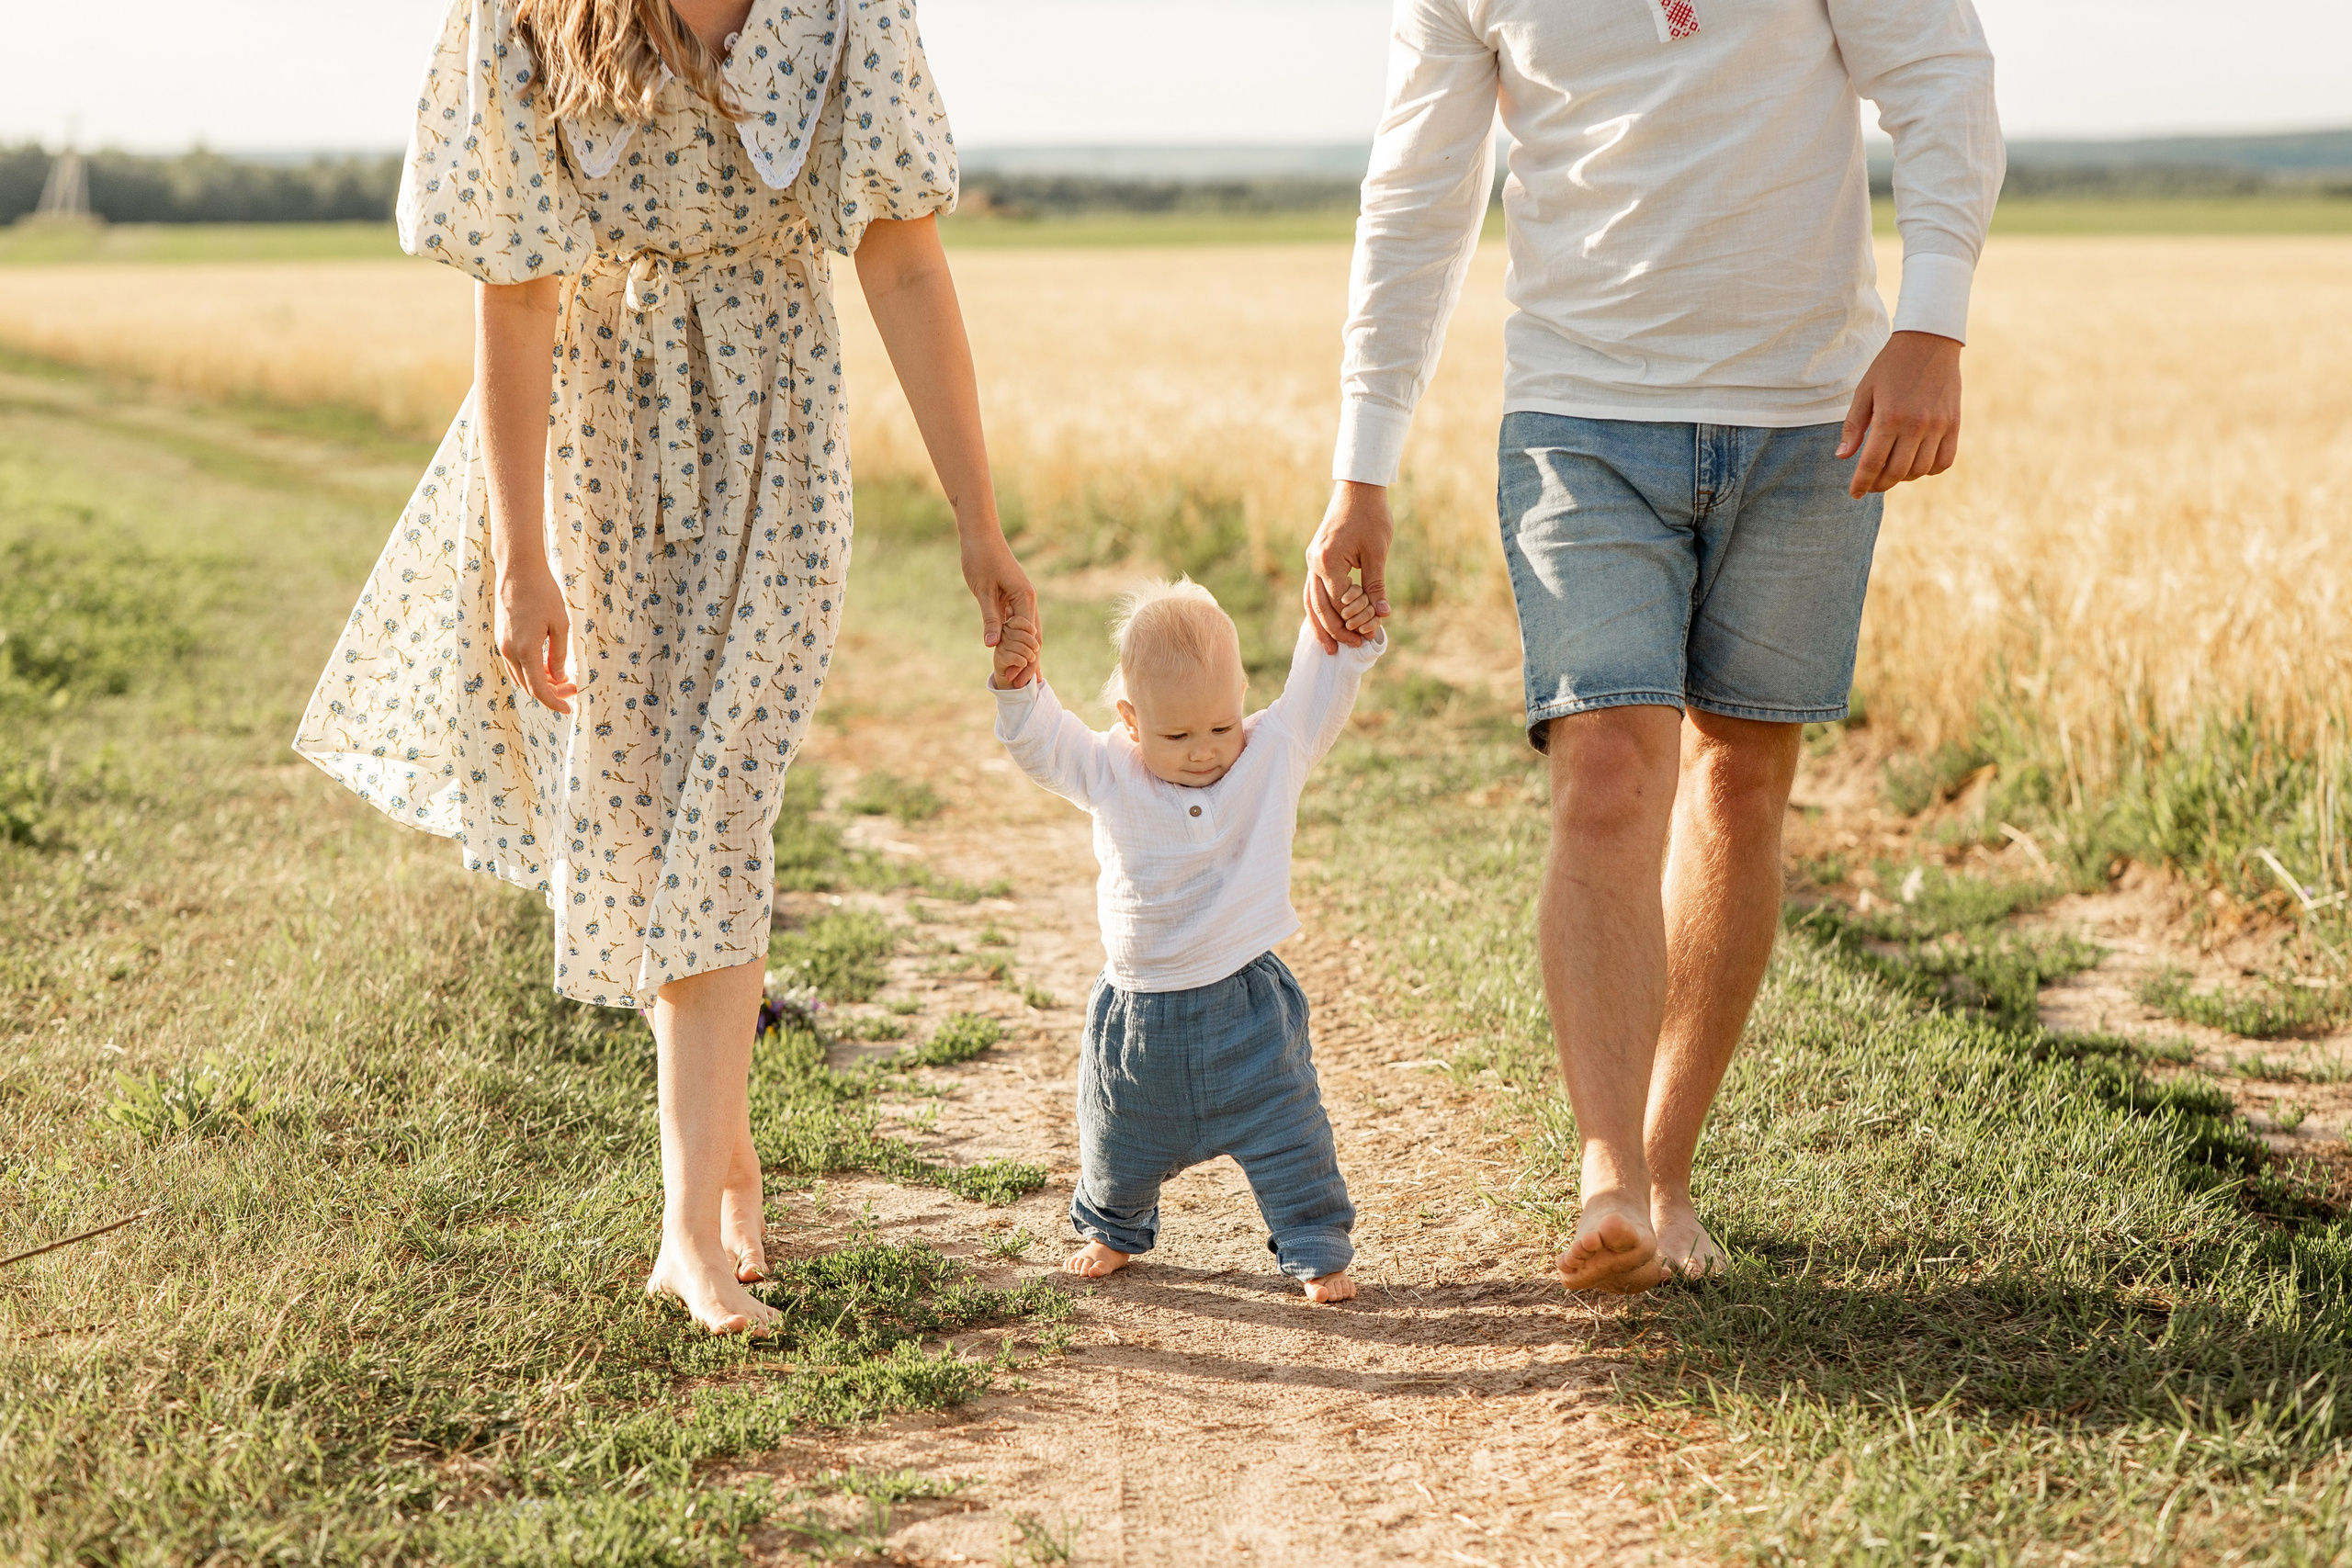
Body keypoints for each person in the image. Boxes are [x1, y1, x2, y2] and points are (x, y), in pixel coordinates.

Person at [293, 0, 1035, 1335]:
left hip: (778, 418)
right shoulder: (525, 16)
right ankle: (722, 1142)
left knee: (727, 795)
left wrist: (980, 523)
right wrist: (521, 557)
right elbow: (514, 291)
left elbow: (906, 262)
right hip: (599, 419)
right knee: (633, 805)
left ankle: (686, 1226)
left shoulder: (848, 9)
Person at [1303, 0, 2003, 1292]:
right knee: (1612, 772)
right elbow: (1417, 191)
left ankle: (1669, 1178)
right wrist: (1363, 471)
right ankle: (1605, 1173)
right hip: (1583, 418)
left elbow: (1942, 75)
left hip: (1810, 417)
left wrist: (1934, 322)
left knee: (1740, 787)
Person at [987, 581, 1385, 1303]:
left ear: (1241, 696)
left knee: (1294, 1136)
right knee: (1115, 1140)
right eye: (1176, 735)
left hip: (1248, 1017)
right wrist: (1022, 686)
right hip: (1140, 1025)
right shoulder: (1108, 770)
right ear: (1132, 721)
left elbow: (1316, 690)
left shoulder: (1270, 751)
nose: (1204, 752)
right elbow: (1045, 745)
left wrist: (1345, 636)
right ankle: (1113, 1227)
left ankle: (1316, 1247)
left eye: (1220, 727)